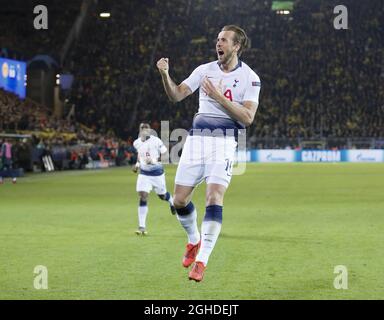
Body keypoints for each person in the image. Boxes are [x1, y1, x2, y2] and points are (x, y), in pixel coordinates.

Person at [156, 25, 261, 281]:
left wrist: (217, 97)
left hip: (224, 142)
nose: (218, 43)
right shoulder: (204, 70)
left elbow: (247, 117)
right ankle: (194, 240)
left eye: (224, 40)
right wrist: (165, 74)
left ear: (236, 46)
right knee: (179, 200)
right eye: (217, 40)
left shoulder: (251, 78)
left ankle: (201, 262)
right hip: (195, 142)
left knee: (214, 197)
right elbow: (177, 95)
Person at [132, 123, 176, 235]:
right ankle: (142, 226)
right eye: (142, 130)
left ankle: (171, 201)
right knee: (143, 195)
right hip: (144, 174)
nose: (144, 132)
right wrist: (137, 165)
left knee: (162, 196)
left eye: (146, 130)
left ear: (150, 131)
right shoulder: (136, 143)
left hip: (157, 173)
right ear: (140, 131)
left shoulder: (156, 141)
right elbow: (140, 155)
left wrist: (154, 161)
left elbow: (165, 154)